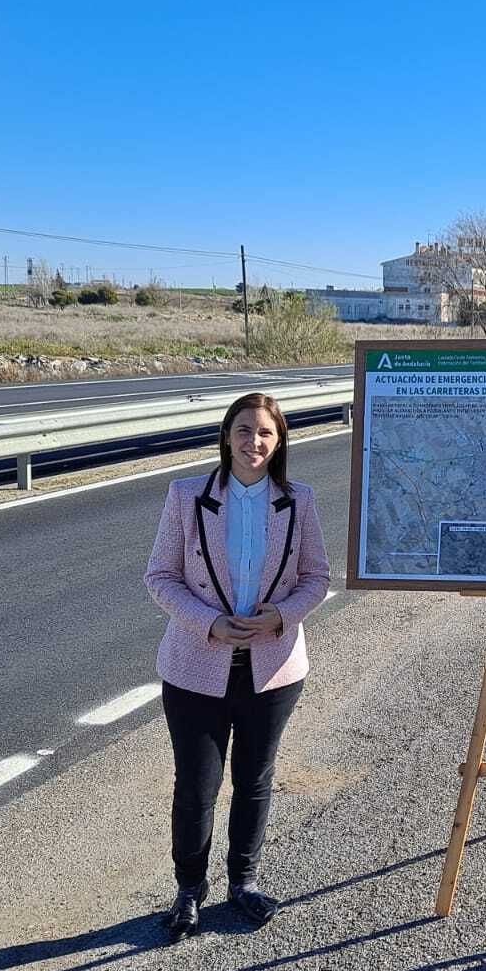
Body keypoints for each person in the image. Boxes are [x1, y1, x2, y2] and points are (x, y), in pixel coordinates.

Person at [145, 392, 330, 942]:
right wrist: (209, 623)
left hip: (272, 670)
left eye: (266, 433)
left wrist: (281, 616)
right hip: (196, 667)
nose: (254, 442)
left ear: (279, 443)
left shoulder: (298, 500)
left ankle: (243, 882)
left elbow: (317, 578)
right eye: (244, 430)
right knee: (197, 785)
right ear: (227, 435)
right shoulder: (186, 496)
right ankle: (188, 890)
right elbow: (160, 577)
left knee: (254, 780)